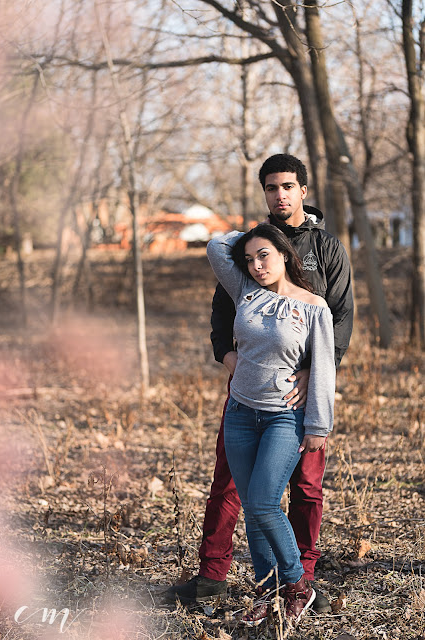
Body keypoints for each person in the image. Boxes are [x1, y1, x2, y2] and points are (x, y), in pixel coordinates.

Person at [166, 154, 353, 613]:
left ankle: (301, 579)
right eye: (271, 187)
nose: (279, 195)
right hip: (245, 393)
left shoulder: (326, 248)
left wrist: (315, 372)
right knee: (230, 487)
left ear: (303, 190)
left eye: (287, 186)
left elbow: (340, 317)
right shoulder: (249, 254)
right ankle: (215, 576)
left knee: (304, 488)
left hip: (296, 394)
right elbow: (222, 308)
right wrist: (226, 354)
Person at [205, 223, 335, 625]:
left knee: (263, 502)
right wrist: (253, 236)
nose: (256, 265)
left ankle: (298, 585)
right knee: (253, 509)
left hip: (284, 417)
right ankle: (270, 593)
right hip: (240, 414)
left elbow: (324, 368)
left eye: (264, 255)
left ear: (284, 254)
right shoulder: (246, 291)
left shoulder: (314, 306)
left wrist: (318, 425)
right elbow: (216, 245)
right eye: (249, 260)